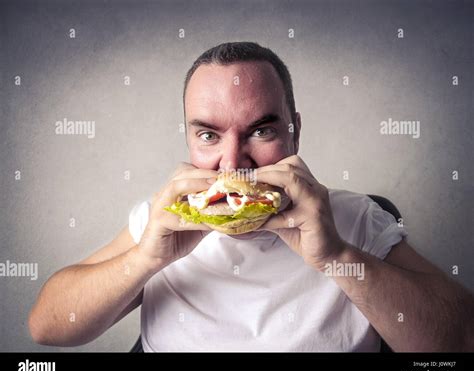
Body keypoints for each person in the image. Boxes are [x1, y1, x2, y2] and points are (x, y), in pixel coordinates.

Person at [29, 42, 474, 351]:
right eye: (209, 135)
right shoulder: (162, 219)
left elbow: (462, 339)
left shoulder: (357, 217)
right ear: (189, 141)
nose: (233, 164)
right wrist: (146, 260)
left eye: (261, 130)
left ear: (294, 132)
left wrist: (335, 255)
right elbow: (47, 328)